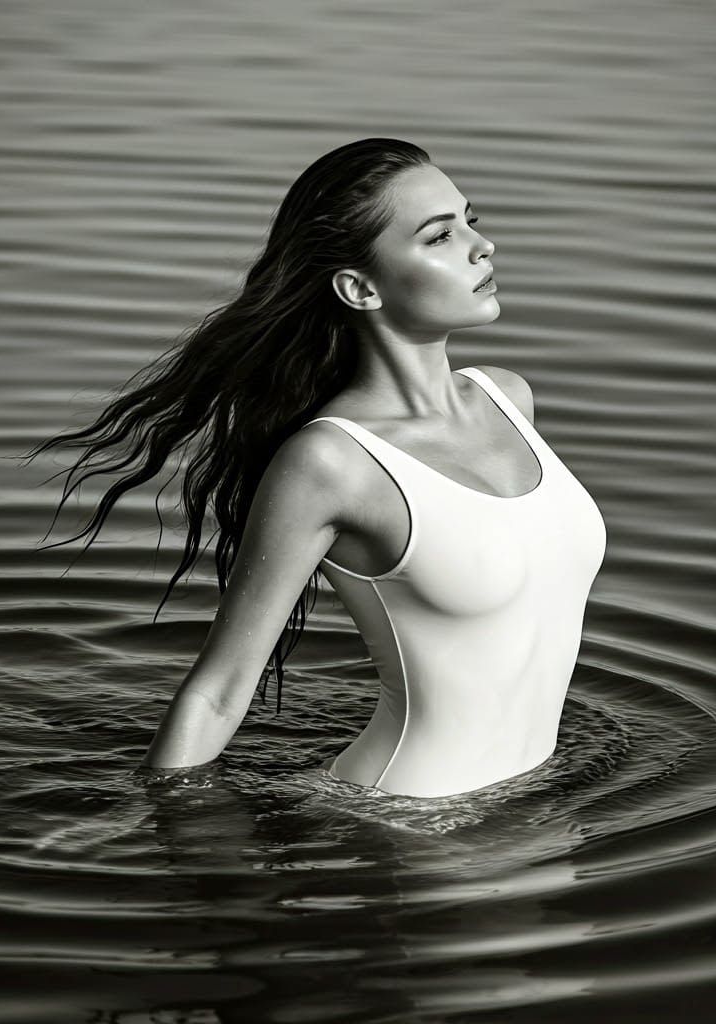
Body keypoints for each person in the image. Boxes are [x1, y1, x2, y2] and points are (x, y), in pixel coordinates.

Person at [32, 138, 606, 798]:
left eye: (472, 221)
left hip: (539, 798)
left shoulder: (510, 399)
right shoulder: (330, 462)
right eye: (439, 237)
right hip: (410, 816)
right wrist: (164, 824)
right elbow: (220, 690)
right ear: (360, 288)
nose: (482, 247)